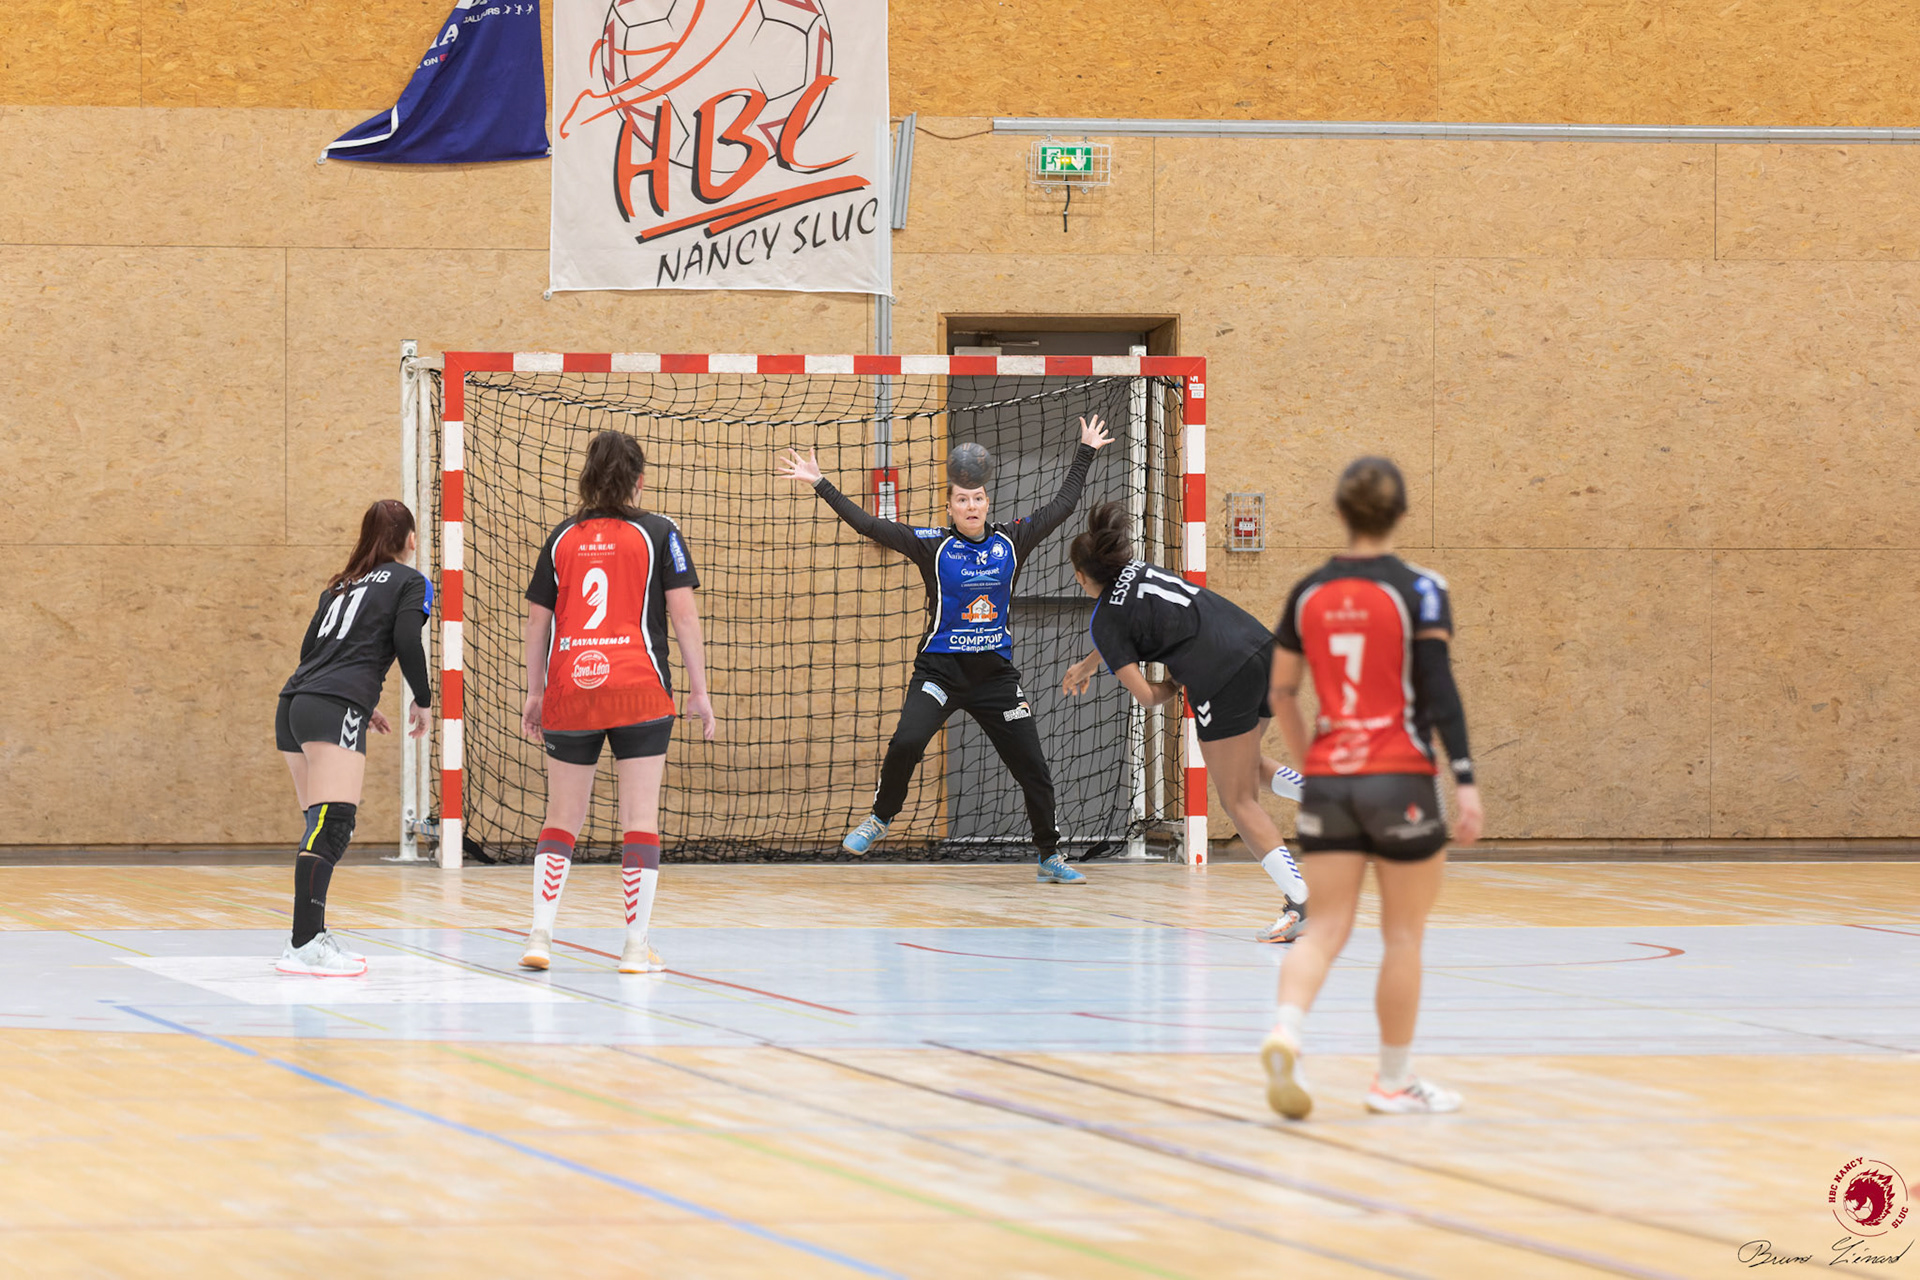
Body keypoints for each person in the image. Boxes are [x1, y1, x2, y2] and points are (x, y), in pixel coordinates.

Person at [777, 416, 1113, 883]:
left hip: (995, 678)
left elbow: (1062, 506)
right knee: (907, 742)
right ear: (951, 508)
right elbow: (870, 525)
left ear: (986, 502)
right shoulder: (930, 545)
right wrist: (821, 483)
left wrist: (1085, 451)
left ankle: (1049, 855)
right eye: (962, 500)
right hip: (939, 672)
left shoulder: (1011, 541)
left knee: (1033, 766)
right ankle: (880, 817)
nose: (971, 506)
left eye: (977, 499)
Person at [1259, 456, 1483, 1119]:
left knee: (1323, 926)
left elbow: (1282, 692)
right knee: (1403, 935)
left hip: (1331, 780)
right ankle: (1391, 1082)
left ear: (1338, 513)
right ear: (1403, 515)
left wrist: (1316, 763)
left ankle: (1285, 1031)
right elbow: (1439, 694)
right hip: (1400, 778)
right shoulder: (1423, 589)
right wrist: (1465, 781)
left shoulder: (1306, 593)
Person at [1061, 502, 1310, 941]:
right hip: (1263, 650)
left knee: (1238, 801)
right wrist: (1087, 664)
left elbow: (1147, 695)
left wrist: (1174, 683)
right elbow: (1127, 624)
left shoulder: (1103, 621)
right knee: (1245, 766)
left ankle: (1300, 901)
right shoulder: (1137, 569)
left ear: (1082, 578)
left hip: (1221, 675)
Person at [518, 431, 716, 975]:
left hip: (572, 689)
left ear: (586, 478)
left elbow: (538, 623)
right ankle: (633, 947)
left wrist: (535, 692)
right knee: (639, 819)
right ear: (639, 481)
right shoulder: (660, 532)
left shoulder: (561, 537)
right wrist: (699, 692)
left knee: (562, 816)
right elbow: (684, 617)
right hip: (640, 689)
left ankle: (540, 934)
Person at [275, 499, 433, 976]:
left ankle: (310, 938)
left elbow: (311, 652)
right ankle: (305, 943)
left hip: (293, 707)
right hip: (331, 705)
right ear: (409, 539)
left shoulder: (340, 585)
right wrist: (422, 699)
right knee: (334, 825)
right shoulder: (411, 580)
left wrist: (361, 704)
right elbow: (407, 639)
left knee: (319, 825)